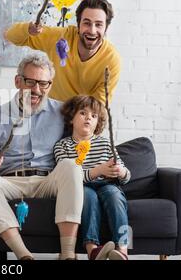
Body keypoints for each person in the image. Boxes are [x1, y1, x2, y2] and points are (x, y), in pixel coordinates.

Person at [0, 54, 83, 260]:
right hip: (10, 181)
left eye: (43, 83)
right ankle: (23, 255)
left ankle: (68, 254)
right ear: (17, 81)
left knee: (72, 166)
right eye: (30, 82)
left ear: (50, 84)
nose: (37, 90)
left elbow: (79, 143)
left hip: (47, 180)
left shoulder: (63, 112)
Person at [53, 95, 130, 260]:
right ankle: (93, 250)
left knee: (114, 195)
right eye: (83, 113)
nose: (88, 117)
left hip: (107, 185)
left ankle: (123, 249)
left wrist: (121, 171)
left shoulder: (105, 144)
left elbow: (125, 176)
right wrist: (98, 170)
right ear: (71, 118)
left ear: (98, 123)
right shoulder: (62, 145)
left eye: (94, 116)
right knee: (87, 196)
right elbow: (67, 177)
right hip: (82, 187)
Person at [4, 0, 120, 104]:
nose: (92, 30)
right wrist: (28, 29)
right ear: (78, 25)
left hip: (82, 117)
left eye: (98, 24)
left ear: (106, 28)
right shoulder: (60, 38)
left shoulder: (111, 59)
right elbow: (11, 36)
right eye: (87, 23)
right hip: (50, 112)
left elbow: (98, 105)